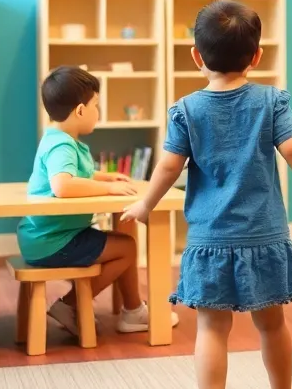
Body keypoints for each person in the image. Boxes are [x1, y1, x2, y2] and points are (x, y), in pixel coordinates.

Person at [122, 0, 292, 389]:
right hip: (265, 235)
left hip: (210, 241)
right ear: (256, 56)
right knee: (273, 322)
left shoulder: (186, 110)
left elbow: (167, 166)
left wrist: (144, 204)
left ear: (196, 56)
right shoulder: (270, 101)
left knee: (212, 330)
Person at [20, 65, 177, 337]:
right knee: (126, 247)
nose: (98, 112)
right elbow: (62, 185)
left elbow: (76, 173)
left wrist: (104, 177)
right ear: (80, 110)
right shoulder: (62, 145)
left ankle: (132, 310)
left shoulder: (58, 138)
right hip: (55, 240)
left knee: (122, 243)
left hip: (46, 235)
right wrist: (109, 191)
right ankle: (71, 305)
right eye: (96, 105)